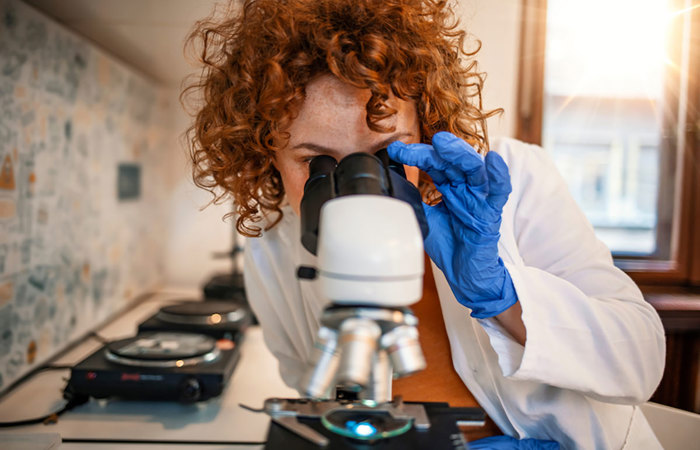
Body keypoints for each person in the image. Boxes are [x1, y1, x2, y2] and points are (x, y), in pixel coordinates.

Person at [183, 0, 666, 448]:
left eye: (386, 156)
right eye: (317, 163)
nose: (356, 188)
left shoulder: (512, 180)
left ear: (427, 130)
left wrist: (502, 294)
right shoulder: (273, 242)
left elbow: (640, 362)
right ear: (265, 152)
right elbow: (304, 379)